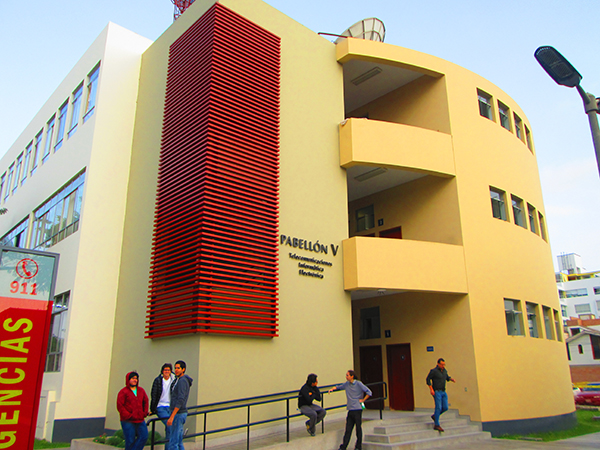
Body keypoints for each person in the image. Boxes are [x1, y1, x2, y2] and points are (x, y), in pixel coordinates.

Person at [328, 370, 372, 450]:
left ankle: (358, 446)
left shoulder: (358, 384)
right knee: (348, 429)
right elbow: (339, 387)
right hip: (350, 409)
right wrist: (332, 389)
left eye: (347, 375)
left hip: (357, 409)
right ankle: (343, 446)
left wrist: (363, 400)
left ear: (352, 376)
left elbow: (369, 392)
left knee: (358, 428)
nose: (346, 377)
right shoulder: (347, 384)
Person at [117, 371, 149, 450]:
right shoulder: (123, 392)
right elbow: (120, 406)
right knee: (130, 440)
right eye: (132, 378)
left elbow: (146, 401)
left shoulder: (141, 390)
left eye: (136, 378)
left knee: (144, 436)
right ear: (128, 380)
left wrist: (144, 413)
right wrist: (128, 415)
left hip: (140, 419)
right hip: (128, 421)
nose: (135, 380)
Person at [167, 360, 193, 450]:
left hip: (178, 413)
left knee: (173, 442)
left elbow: (181, 399)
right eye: (175, 368)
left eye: (178, 368)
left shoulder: (182, 381)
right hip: (179, 413)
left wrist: (172, 416)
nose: (176, 370)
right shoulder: (178, 380)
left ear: (183, 369)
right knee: (178, 441)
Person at [426, 358, 456, 432]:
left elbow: (446, 377)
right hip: (437, 391)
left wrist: (451, 379)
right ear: (438, 364)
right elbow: (428, 379)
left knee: (445, 407)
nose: (443, 366)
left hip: (443, 391)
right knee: (438, 407)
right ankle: (436, 424)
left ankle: (435, 416)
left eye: (444, 364)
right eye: (442, 364)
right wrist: (431, 389)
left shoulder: (444, 371)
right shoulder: (434, 371)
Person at [150, 363, 175, 447]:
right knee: (169, 424)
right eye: (165, 370)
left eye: (168, 370)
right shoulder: (158, 380)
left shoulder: (174, 380)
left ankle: (168, 448)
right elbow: (154, 394)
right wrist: (152, 409)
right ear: (162, 371)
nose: (166, 372)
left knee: (169, 428)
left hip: (170, 407)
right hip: (160, 407)